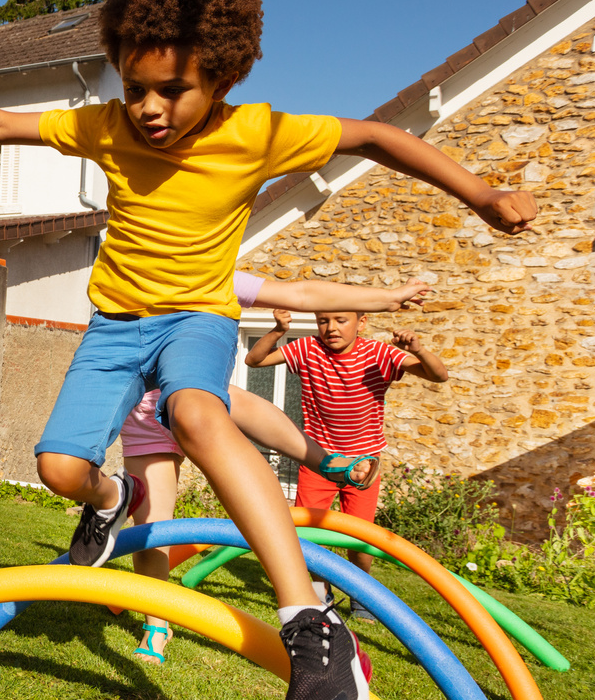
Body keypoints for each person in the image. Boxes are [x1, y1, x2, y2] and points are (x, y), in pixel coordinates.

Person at [0, 0, 534, 700]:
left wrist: (480, 193)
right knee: (57, 468)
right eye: (133, 87)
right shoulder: (104, 125)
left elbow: (377, 137)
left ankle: (309, 620)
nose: (147, 108)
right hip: (113, 325)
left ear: (220, 78)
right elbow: (0, 124)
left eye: (170, 91)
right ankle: (110, 502)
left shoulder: (259, 132)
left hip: (196, 318)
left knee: (198, 416)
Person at [123, 272, 429, 664]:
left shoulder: (208, 272)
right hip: (146, 414)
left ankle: (328, 474)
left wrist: (390, 294)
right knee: (153, 527)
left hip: (201, 396)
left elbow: (301, 292)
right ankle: (156, 624)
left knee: (327, 526)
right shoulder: (123, 281)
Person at [245, 306, 450, 623]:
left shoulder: (379, 353)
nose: (331, 328)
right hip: (319, 460)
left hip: (365, 463)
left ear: (361, 322)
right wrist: (276, 330)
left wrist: (418, 350)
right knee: (310, 534)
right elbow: (254, 361)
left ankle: (362, 595)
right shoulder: (307, 348)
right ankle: (318, 591)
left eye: (341, 321)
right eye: (323, 321)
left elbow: (439, 375)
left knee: (361, 537)